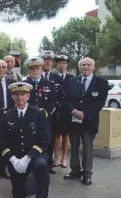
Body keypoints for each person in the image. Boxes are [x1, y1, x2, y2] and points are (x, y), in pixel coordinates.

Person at [62, 57, 109, 185]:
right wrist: (74, 111)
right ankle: (75, 170)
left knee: (88, 149)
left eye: (88, 65)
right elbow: (65, 100)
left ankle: (87, 173)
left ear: (93, 67)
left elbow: (100, 101)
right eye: (83, 65)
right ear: (79, 67)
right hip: (73, 120)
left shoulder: (101, 82)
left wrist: (85, 114)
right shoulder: (71, 81)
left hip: (89, 121)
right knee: (74, 147)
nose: (86, 67)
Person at [0, 82, 50, 198]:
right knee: (18, 192)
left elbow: (45, 139)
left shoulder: (38, 113)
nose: (20, 98)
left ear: (28, 96)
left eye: (23, 94)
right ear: (12, 97)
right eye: (16, 94)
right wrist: (12, 159)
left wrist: (28, 158)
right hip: (15, 156)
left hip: (35, 154)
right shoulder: (7, 115)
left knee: (41, 166)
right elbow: (1, 140)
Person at [22, 57, 57, 174]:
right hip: (29, 118)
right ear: (29, 70)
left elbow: (53, 101)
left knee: (47, 141)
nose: (35, 71)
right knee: (29, 140)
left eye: (37, 68)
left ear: (41, 69)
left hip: (45, 119)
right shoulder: (24, 84)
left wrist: (45, 113)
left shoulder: (49, 84)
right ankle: (29, 163)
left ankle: (48, 164)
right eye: (32, 68)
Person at [39, 51, 63, 173]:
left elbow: (60, 97)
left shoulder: (56, 78)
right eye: (46, 60)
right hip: (37, 115)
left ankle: (49, 164)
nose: (48, 63)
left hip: (52, 115)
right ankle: (38, 163)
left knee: (50, 139)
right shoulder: (37, 75)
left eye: (50, 61)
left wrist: (51, 110)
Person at [53, 55, 74, 168]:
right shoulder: (53, 77)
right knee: (56, 135)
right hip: (56, 110)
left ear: (67, 65)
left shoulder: (72, 78)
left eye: (64, 63)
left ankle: (64, 158)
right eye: (60, 63)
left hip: (67, 110)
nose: (62, 65)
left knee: (66, 135)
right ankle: (56, 157)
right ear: (56, 65)